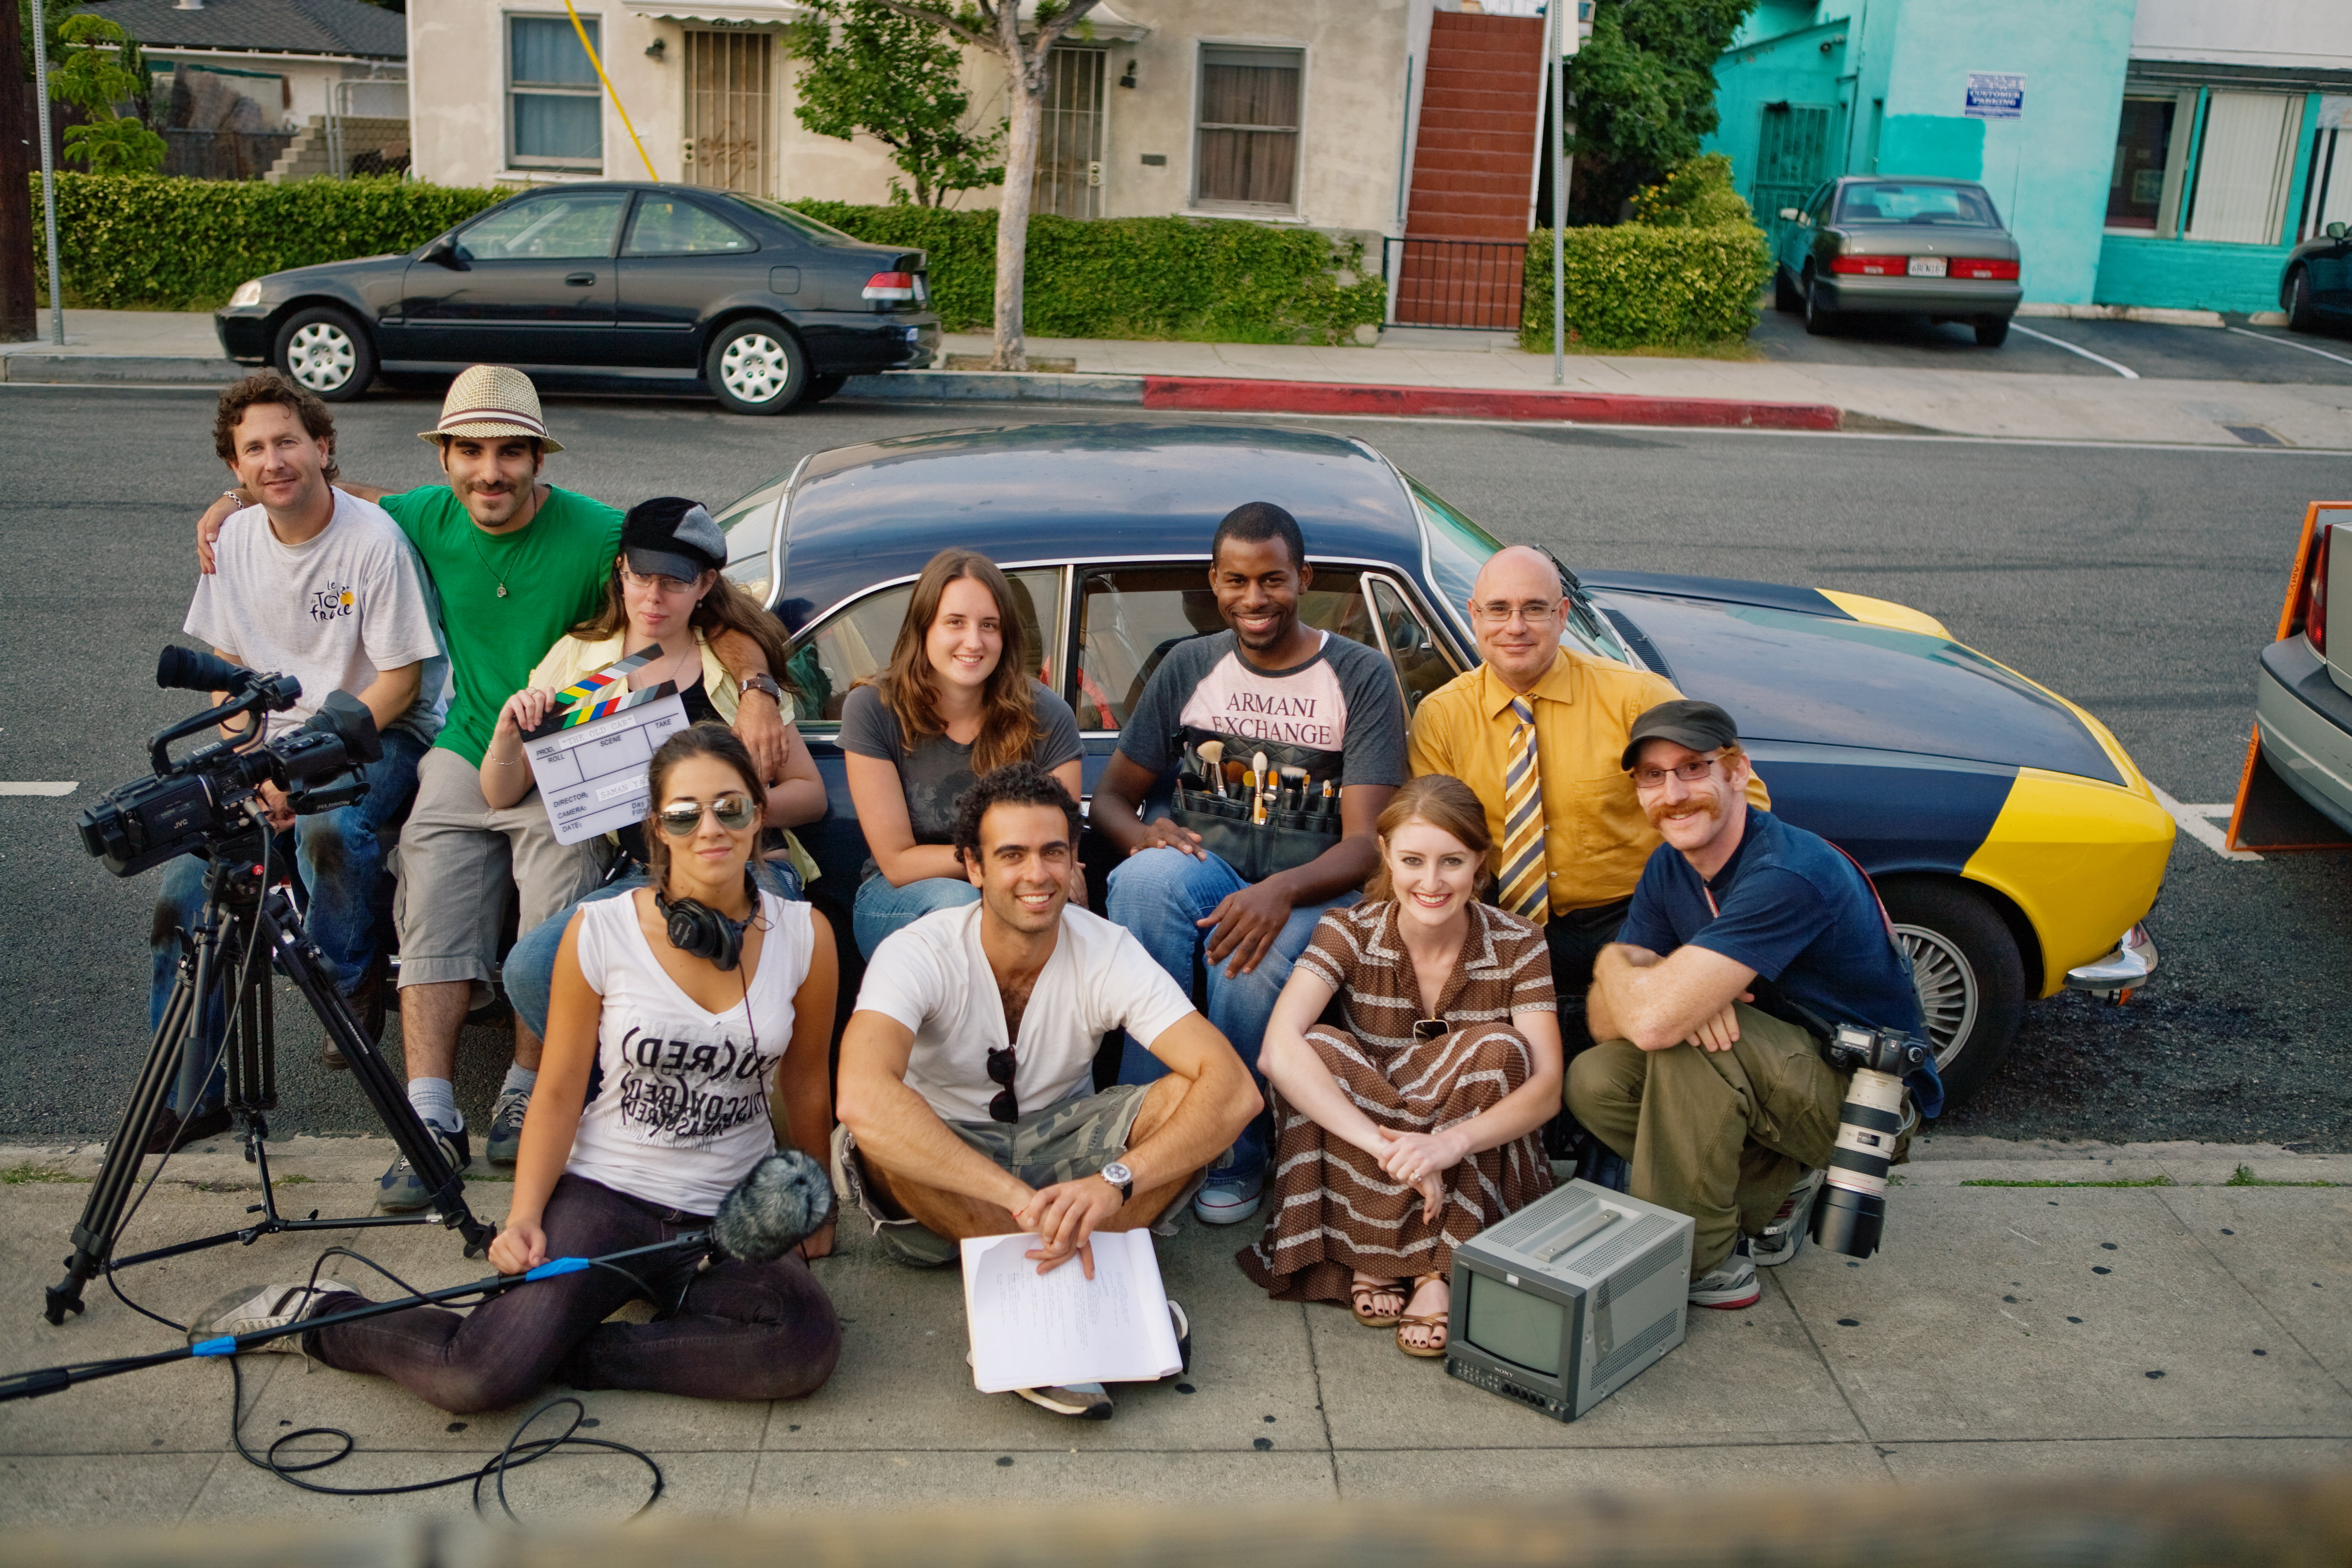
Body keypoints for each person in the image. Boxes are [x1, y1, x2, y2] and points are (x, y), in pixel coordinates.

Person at [194, 367, 792, 1210]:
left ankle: (522, 1086)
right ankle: (429, 1115)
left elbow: (708, 602)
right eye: (469, 451)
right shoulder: (419, 517)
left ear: (538, 459)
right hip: (465, 744)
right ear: (444, 458)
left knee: (554, 902)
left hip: (571, 761)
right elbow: (325, 495)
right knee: (429, 892)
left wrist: (760, 688)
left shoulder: (598, 532)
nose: (490, 472)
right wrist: (235, 502)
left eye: (511, 452)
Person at [191, 726, 843, 1413]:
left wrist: (812, 1196)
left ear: (758, 815)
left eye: (730, 808)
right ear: (658, 827)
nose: (710, 827)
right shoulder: (603, 931)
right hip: (608, 1193)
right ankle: (317, 1315)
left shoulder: (804, 936)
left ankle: (573, 1351)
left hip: (732, 1208)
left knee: (801, 1347)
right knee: (475, 1377)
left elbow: (804, 1082)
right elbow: (558, 1090)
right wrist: (525, 1214)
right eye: (685, 812)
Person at [832, 762, 1259, 1420]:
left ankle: (1039, 1317)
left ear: (1074, 858)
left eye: (1053, 851)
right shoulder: (919, 949)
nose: (1038, 874)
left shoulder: (1105, 947)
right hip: (948, 1171)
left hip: (1067, 1148)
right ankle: (1098, 1296)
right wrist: (1016, 1199)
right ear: (973, 866)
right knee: (878, 1126)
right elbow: (860, 1094)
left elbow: (1235, 1092)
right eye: (1012, 854)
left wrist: (1117, 1178)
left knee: (1192, 1099)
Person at [146, 370, 446, 1150]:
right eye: (255, 450)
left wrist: (295, 771)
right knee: (186, 891)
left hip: (374, 731)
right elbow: (226, 665)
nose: (273, 459)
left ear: (322, 446)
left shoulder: (372, 542)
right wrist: (250, 755)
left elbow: (402, 680)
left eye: (287, 441)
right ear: (236, 470)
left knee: (329, 832)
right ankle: (192, 1090)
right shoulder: (236, 540)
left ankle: (349, 986)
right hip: (268, 741)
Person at [1091, 502, 1406, 1227]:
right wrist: (1150, 836)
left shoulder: (1359, 676)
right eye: (1235, 581)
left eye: (1272, 580)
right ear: (1214, 580)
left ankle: (1234, 1149)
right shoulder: (1188, 665)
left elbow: (1366, 846)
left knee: (1248, 965)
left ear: (1305, 578)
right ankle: (1142, 1135)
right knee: (1143, 883)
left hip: (1315, 890)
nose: (1254, 599)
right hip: (1212, 873)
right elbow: (1112, 799)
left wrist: (1278, 891)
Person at [1567, 701, 1940, 1311]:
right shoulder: (1670, 865)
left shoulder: (1788, 872)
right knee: (1598, 1077)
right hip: (1775, 1073)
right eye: (1652, 776)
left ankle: (1706, 1261)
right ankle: (1775, 1192)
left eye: (1693, 768)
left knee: (1693, 1041)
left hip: (1865, 1103)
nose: (1674, 793)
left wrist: (1650, 981)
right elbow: (1608, 1023)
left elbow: (1654, 1020)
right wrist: (1622, 967)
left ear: (1738, 771)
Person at [487, 496, 826, 1164]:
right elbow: (500, 791)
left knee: (712, 966)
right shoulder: (581, 661)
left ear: (704, 588)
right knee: (530, 970)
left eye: (674, 581)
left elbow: (810, 796)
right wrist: (508, 731)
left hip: (749, 865)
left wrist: (725, 811)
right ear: (620, 572)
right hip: (647, 877)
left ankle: (718, 1125)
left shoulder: (733, 673)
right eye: (641, 577)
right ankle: (613, 1108)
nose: (653, 595)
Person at [1241, 775, 1562, 1357]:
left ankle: (1429, 1268)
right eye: (1413, 860)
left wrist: (1446, 1146)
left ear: (1479, 863)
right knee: (1315, 1047)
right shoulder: (1348, 929)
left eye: (1452, 862)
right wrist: (1390, 1146)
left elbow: (1547, 1089)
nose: (1431, 882)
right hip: (1373, 1127)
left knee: (1502, 1051)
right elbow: (1276, 1049)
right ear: (1386, 854)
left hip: (1460, 1123)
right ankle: (1387, 1249)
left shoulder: (1521, 941)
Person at [1406, 545, 1769, 1018]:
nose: (1515, 627)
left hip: (1636, 920)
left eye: (1534, 609)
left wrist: (1709, 940)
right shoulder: (1442, 715)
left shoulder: (1637, 699)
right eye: (1498, 609)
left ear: (1562, 615)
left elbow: (1745, 807)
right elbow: (1432, 838)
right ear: (1474, 615)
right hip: (1505, 923)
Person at [841, 548, 1084, 960]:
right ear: (925, 628)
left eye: (989, 626)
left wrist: (1019, 870)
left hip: (1018, 890)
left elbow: (1055, 852)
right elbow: (899, 862)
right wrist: (1000, 863)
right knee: (965, 910)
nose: (974, 642)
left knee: (1073, 930)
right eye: (955, 622)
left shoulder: (1047, 715)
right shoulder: (874, 708)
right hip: (898, 898)